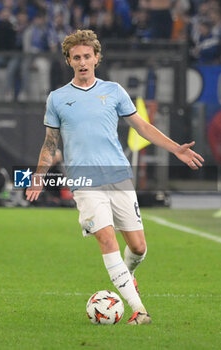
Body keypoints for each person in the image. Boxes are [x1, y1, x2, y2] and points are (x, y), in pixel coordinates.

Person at [26, 29, 204, 325]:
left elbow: (142, 127)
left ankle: (128, 276)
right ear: (69, 61)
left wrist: (176, 149)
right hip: (84, 181)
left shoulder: (115, 91)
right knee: (107, 238)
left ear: (96, 58)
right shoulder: (57, 99)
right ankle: (139, 310)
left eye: (87, 56)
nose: (82, 62)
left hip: (119, 176)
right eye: (76, 57)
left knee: (138, 247)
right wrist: (39, 175)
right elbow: (50, 142)